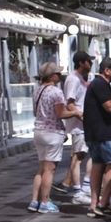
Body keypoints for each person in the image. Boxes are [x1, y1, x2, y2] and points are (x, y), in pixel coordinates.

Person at [82, 57, 111, 219]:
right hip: (104, 134)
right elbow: (110, 107)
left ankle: (95, 204)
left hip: (96, 133)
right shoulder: (100, 84)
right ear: (107, 70)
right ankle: (102, 203)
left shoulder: (97, 84)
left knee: (98, 166)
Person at [28, 62, 66, 213]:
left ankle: (34, 200)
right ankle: (45, 202)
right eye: (58, 73)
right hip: (52, 133)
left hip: (39, 131)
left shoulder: (37, 91)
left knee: (41, 168)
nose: (60, 75)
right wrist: (77, 113)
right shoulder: (56, 92)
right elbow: (61, 113)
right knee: (50, 169)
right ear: (52, 76)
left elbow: (34, 111)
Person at [57, 52, 93, 204]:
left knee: (80, 155)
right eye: (88, 62)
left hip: (84, 124)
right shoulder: (73, 79)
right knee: (78, 156)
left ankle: (71, 184)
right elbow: (70, 103)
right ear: (81, 63)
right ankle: (79, 191)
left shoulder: (82, 79)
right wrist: (82, 117)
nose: (90, 64)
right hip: (79, 125)